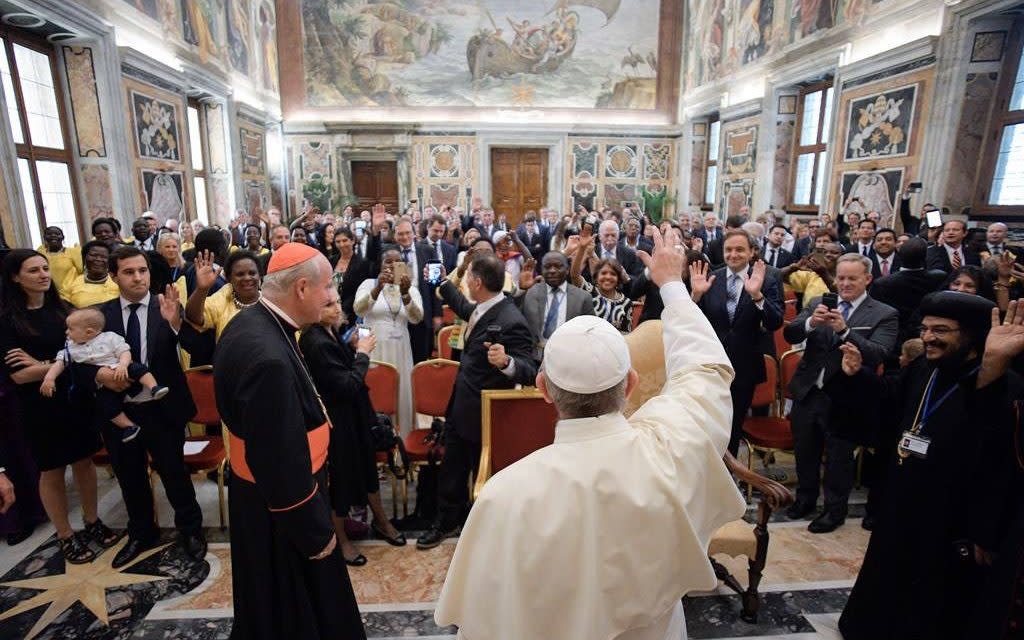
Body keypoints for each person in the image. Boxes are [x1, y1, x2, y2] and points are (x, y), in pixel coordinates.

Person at [435, 227, 746, 639]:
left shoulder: (504, 494)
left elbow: (486, 621)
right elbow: (705, 371)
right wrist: (672, 286)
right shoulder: (672, 447)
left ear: (543, 389)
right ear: (631, 383)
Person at [830, 291, 1016, 640]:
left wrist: (984, 532)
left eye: (941, 330)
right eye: (926, 328)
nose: (927, 337)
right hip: (903, 497)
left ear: (972, 336)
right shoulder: (925, 369)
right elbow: (889, 401)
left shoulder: (1002, 386)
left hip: (951, 516)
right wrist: (857, 377)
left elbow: (1000, 467)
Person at [214, 242, 366, 640]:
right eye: (328, 286)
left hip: (263, 499)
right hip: (284, 514)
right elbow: (279, 462)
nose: (333, 296)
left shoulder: (255, 323)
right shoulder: (268, 358)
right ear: (301, 288)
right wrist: (316, 533)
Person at [1, 250, 117, 564]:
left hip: (74, 398)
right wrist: (61, 363)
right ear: (15, 277)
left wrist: (48, 363)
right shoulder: (8, 321)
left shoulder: (64, 310)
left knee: (84, 462)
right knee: (51, 470)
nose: (43, 275)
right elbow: (20, 374)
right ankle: (65, 534)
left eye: (44, 268)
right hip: (38, 404)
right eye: (33, 270)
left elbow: (91, 354)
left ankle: (92, 520)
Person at [417, 255, 538, 549]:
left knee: (482, 473)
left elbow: (531, 369)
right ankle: (446, 522)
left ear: (478, 282)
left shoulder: (512, 320)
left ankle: (484, 531)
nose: (466, 280)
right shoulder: (485, 307)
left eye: (468, 275)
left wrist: (507, 362)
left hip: (485, 413)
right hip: (461, 405)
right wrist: (443, 282)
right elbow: (463, 307)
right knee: (452, 468)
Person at [96, 246, 206, 567]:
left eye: (142, 271)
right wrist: (103, 376)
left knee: (174, 473)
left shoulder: (166, 306)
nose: (138, 278)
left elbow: (196, 346)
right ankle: (141, 532)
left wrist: (175, 325)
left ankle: (190, 530)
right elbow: (82, 360)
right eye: (128, 272)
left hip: (162, 408)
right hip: (120, 412)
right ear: (114, 276)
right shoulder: (101, 315)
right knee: (130, 476)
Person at [783, 253, 898, 533]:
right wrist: (812, 323)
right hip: (810, 390)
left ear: (867, 279)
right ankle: (805, 499)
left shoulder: (884, 313)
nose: (844, 284)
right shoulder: (818, 302)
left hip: (847, 397)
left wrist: (845, 331)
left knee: (839, 458)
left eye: (852, 278)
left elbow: (878, 354)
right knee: (805, 451)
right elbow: (792, 334)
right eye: (841, 278)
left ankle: (834, 511)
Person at [299, 288, 406, 566]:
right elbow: (346, 384)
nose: (336, 309)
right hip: (337, 419)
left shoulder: (331, 332)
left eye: (336, 302)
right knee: (342, 479)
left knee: (367, 468)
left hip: (356, 414)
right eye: (328, 305)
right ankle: (342, 540)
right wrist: (361, 354)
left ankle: (382, 522)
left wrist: (351, 347)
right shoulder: (315, 341)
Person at [691, 229, 785, 455]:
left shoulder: (768, 278)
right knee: (706, 425)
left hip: (744, 367)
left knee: (732, 428)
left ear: (752, 252)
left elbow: (775, 322)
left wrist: (756, 295)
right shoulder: (710, 278)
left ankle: (728, 479)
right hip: (710, 365)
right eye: (728, 250)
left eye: (739, 249)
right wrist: (694, 297)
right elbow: (691, 322)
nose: (733, 254)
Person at [39, 308, 168, 443]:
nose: (66, 332)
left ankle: (154, 387)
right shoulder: (71, 347)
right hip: (104, 385)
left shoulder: (109, 337)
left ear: (89, 332)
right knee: (106, 405)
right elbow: (60, 363)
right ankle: (129, 426)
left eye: (70, 329)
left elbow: (124, 352)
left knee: (137, 369)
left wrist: (123, 365)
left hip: (120, 367)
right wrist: (49, 378)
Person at [353, 246, 423, 436]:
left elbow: (417, 318)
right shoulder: (369, 283)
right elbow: (358, 310)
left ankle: (404, 442)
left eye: (397, 262)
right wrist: (377, 289)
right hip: (374, 345)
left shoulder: (411, 288)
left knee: (402, 391)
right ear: (381, 264)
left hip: (401, 347)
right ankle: (376, 441)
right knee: (377, 390)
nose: (392, 266)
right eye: (388, 261)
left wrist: (406, 294)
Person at [870, 237, 947, 347]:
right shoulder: (939, 278)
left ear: (899, 255)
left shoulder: (882, 283)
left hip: (893, 338)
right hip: (927, 335)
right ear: (925, 257)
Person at [519, 250, 593, 360]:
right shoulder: (531, 292)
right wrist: (523, 291)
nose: (552, 270)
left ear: (567, 270)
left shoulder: (583, 298)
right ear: (541, 269)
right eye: (547, 267)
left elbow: (590, 333)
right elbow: (515, 319)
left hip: (569, 359)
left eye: (558, 266)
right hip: (534, 359)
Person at [185, 250, 262, 341]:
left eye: (252, 273)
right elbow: (193, 316)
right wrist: (202, 289)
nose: (247, 278)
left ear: (260, 275)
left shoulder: (270, 301)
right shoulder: (223, 298)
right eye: (240, 274)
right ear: (229, 279)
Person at [569, 234, 635, 333]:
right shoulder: (590, 292)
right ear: (596, 277)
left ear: (618, 279)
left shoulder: (626, 303)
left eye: (613, 274)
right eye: (603, 273)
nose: (608, 277)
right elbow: (574, 275)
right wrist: (582, 249)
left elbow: (627, 334)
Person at [329, 227, 370, 328]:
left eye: (345, 240)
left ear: (352, 241)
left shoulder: (362, 263)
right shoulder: (332, 261)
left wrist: (344, 312)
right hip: (332, 310)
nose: (342, 244)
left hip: (351, 314)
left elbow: (358, 291)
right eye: (338, 241)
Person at [61, 240, 120, 308]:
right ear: (84, 258)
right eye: (93, 255)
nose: (98, 259)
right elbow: (64, 304)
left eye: (104, 256)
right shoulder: (72, 281)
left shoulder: (118, 281)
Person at [37, 226, 82, 293]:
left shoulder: (73, 252)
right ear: (44, 237)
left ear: (63, 237)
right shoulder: (40, 254)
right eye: (49, 234)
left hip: (70, 293)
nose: (53, 236)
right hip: (47, 293)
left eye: (57, 234)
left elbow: (82, 271)